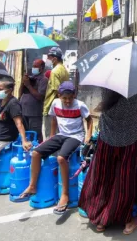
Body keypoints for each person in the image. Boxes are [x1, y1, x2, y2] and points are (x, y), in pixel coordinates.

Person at [19, 81, 92, 214]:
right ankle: (32, 185)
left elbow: (89, 119)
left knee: (61, 158)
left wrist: (88, 136)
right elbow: (53, 120)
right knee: (35, 153)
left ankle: (65, 194)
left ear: (74, 95)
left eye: (70, 98)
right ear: (59, 95)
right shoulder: (55, 103)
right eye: (65, 98)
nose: (68, 101)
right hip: (60, 134)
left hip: (75, 136)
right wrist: (51, 136)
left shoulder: (80, 105)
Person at [79, 88, 137, 235]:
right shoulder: (136, 87)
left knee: (103, 177)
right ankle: (127, 221)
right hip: (129, 139)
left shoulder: (106, 86)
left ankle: (100, 220)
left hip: (107, 139)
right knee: (124, 179)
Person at [42, 47, 69, 140]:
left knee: (50, 134)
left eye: (49, 57)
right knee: (58, 133)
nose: (48, 60)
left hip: (52, 107)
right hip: (61, 107)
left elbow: (58, 90)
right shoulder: (64, 70)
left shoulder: (54, 71)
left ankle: (52, 154)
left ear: (55, 58)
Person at [19, 59, 48, 142]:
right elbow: (20, 93)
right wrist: (23, 83)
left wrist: (28, 85)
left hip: (34, 114)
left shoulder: (43, 80)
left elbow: (39, 96)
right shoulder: (30, 78)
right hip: (24, 112)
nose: (33, 68)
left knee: (35, 136)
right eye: (33, 66)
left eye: (36, 66)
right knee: (25, 135)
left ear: (41, 68)